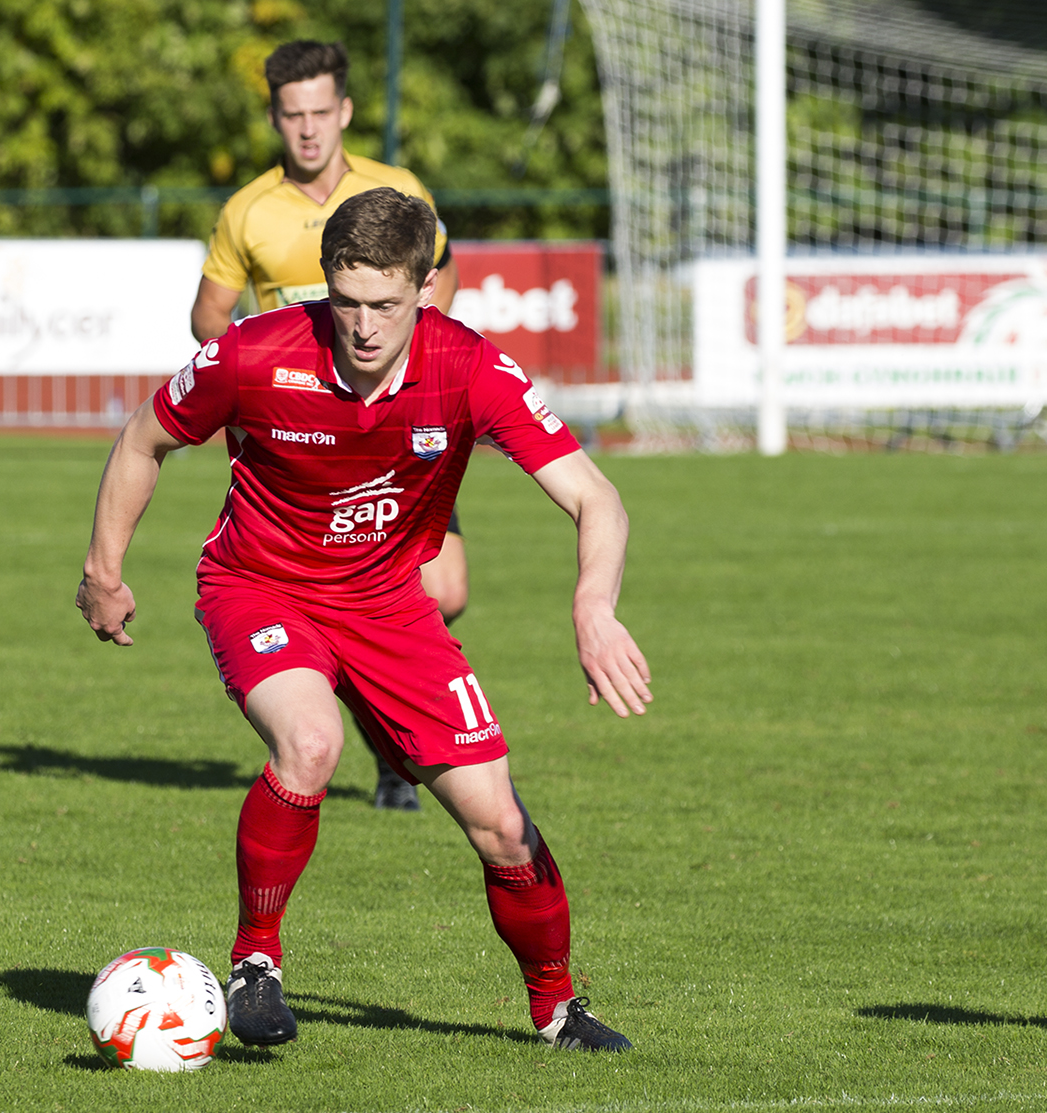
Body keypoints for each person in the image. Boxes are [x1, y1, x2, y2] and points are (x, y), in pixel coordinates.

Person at [80, 188, 650, 1052]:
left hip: (389, 607)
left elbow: (596, 498)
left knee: (499, 821)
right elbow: (141, 439)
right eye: (345, 302)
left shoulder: (470, 368)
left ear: (425, 290)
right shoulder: (257, 352)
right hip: (260, 586)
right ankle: (255, 963)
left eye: (386, 304)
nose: (363, 326)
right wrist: (103, 570)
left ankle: (558, 1009)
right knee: (310, 743)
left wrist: (593, 606)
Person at [192, 39, 467, 810]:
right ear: (276, 119)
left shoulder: (397, 188)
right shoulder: (247, 210)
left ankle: (374, 707)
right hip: (302, 443)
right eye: (292, 116)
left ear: (344, 110)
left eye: (320, 113)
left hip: (400, 432)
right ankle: (386, 750)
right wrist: (251, 385)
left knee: (444, 590)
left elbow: (442, 271)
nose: (308, 131)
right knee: (335, 597)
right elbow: (210, 318)